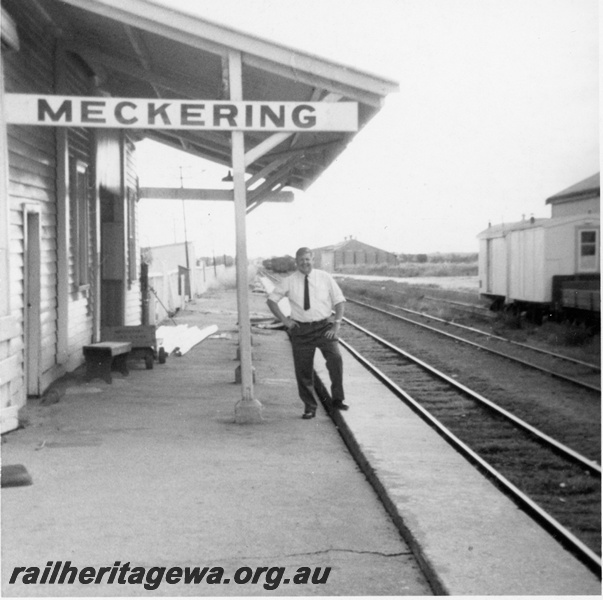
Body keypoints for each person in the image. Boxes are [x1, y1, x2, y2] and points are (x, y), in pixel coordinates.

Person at [266, 247, 349, 419]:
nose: (305, 262)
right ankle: (310, 407)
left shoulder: (324, 278)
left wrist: (336, 326)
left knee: (336, 359)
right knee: (303, 371)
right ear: (296, 262)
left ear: (313, 260)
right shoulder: (289, 281)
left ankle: (338, 399)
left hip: (324, 327)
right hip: (301, 330)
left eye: (308, 259)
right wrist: (285, 321)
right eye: (301, 260)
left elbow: (339, 301)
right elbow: (272, 300)